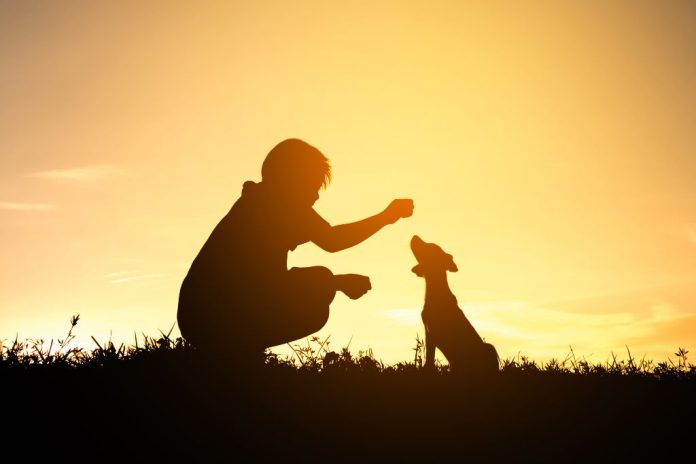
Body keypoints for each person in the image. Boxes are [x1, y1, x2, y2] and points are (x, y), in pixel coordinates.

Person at [177, 138, 413, 363]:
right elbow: (332, 240)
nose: (316, 195)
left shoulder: (255, 201)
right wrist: (386, 217)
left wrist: (335, 282)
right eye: (311, 185)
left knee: (319, 280)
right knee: (319, 288)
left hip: (194, 317)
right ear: (291, 180)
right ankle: (239, 351)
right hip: (213, 314)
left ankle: (238, 354)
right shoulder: (282, 205)